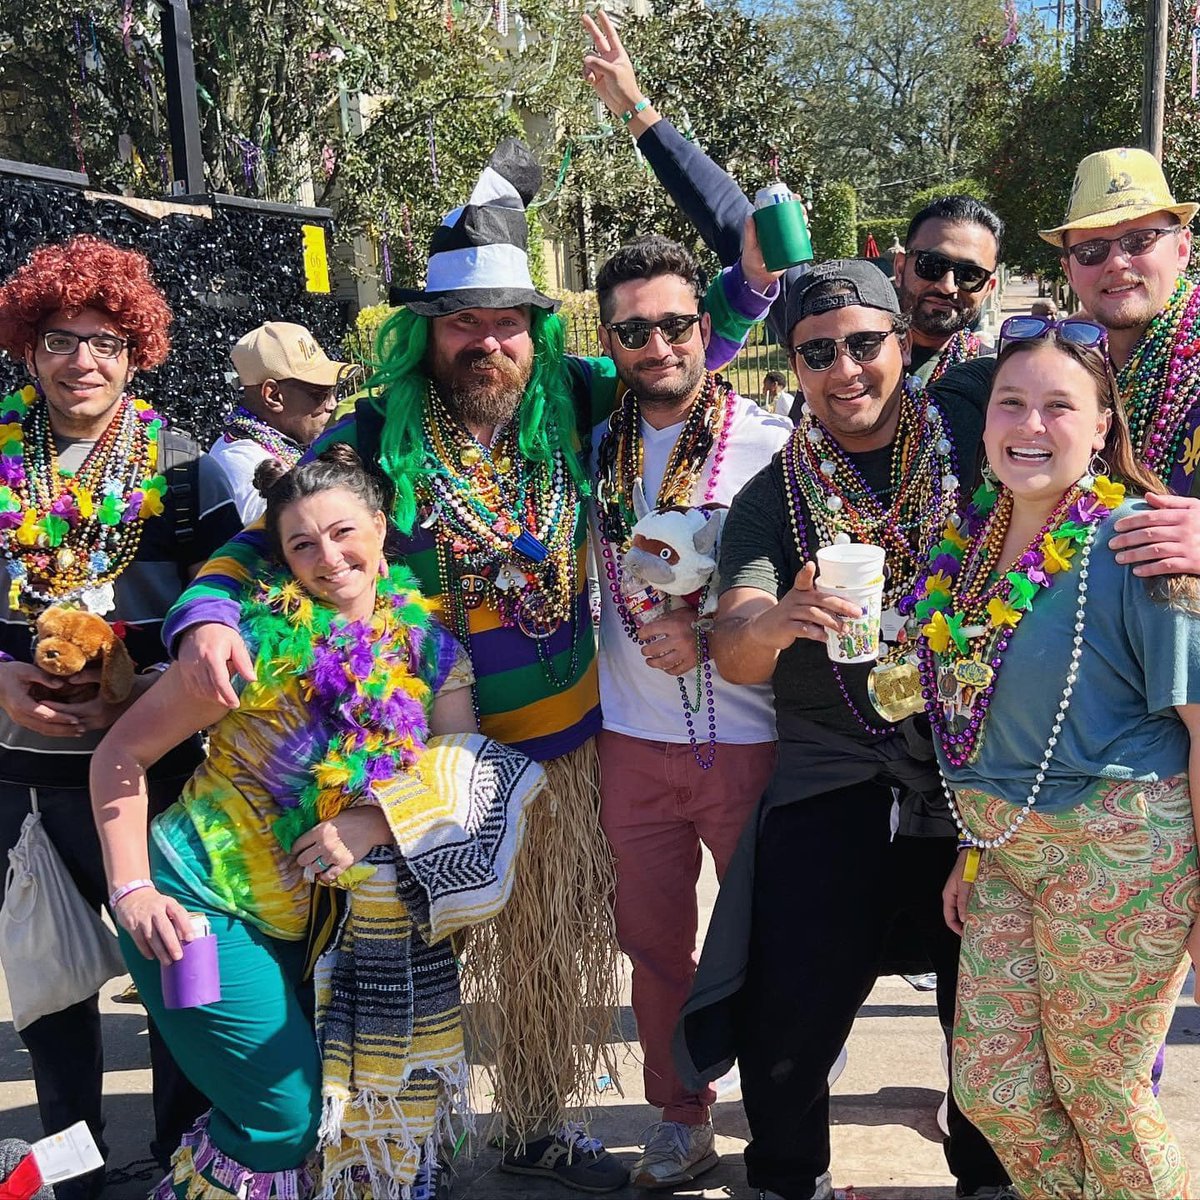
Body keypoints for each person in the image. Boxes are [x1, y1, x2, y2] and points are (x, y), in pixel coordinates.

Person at [156, 138, 777, 1193]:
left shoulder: (582, 400)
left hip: (566, 752)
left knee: (543, 966)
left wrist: (655, 135)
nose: (487, 342)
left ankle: (532, 1123)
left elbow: (724, 312)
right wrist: (207, 612)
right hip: (414, 765)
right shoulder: (368, 434)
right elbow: (268, 540)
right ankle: (383, 1143)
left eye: (508, 322)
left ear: (538, 334)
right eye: (462, 322)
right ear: (425, 333)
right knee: (399, 971)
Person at [91, 445, 540, 1200]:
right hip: (195, 911)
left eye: (342, 532)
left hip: (328, 930)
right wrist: (132, 889)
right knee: (282, 1119)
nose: (328, 558)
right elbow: (120, 755)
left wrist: (375, 820)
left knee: (335, 1120)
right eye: (302, 544)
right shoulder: (250, 650)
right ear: (282, 558)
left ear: (380, 525)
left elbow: (461, 762)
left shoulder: (431, 651)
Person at [667, 258, 1012, 1200]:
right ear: (794, 366)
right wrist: (778, 618)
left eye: (866, 343)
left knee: (986, 1014)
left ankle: (989, 1182)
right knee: (788, 1025)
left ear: (906, 343)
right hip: (834, 775)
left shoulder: (980, 430)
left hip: (976, 774)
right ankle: (787, 1180)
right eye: (818, 353)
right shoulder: (771, 499)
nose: (845, 369)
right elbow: (734, 643)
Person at [922, 319, 1200, 1199]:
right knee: (997, 1093)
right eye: (1012, 402)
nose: (1030, 425)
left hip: (1120, 846)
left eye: (1058, 406)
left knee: (1103, 1095)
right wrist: (976, 848)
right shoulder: (970, 543)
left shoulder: (1137, 543)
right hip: (1008, 852)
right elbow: (978, 717)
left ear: (1104, 427)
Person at [0, 234, 241, 1195]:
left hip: (160, 775)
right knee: (51, 997)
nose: (82, 361)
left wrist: (165, 682)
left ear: (137, 350)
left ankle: (184, 1160)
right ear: (27, 349)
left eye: (105, 341)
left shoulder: (188, 465)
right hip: (21, 786)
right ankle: (72, 1170)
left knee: (175, 980)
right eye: (61, 339)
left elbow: (237, 594)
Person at [590, 235, 790, 1189]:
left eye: (675, 324)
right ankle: (679, 1113)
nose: (657, 344)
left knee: (766, 938)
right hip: (631, 741)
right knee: (655, 945)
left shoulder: (773, 444)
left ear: (706, 332)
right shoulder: (592, 444)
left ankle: (791, 1110)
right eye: (635, 329)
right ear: (610, 340)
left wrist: (712, 631)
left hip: (746, 738)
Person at [581, 9, 1001, 387]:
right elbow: (727, 214)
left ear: (989, 286)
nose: (947, 285)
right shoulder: (823, 316)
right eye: (932, 265)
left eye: (969, 275)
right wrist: (635, 108)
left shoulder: (994, 383)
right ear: (902, 264)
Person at [210, 320, 360, 523]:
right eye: (321, 394)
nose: (333, 404)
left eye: (335, 392)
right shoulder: (240, 462)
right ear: (273, 396)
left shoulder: (287, 444)